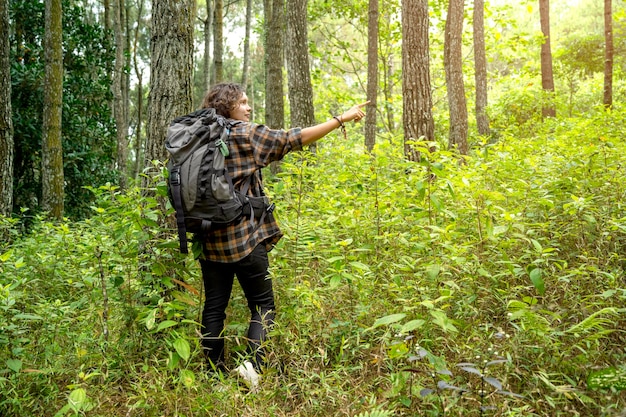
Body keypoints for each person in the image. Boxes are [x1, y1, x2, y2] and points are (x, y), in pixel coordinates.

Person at [198, 82, 368, 389]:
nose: (248, 108)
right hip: (245, 238)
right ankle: (252, 368)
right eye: (243, 103)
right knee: (263, 306)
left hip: (209, 241)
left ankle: (212, 374)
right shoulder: (244, 134)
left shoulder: (199, 139)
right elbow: (293, 138)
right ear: (228, 107)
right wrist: (340, 119)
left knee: (213, 307)